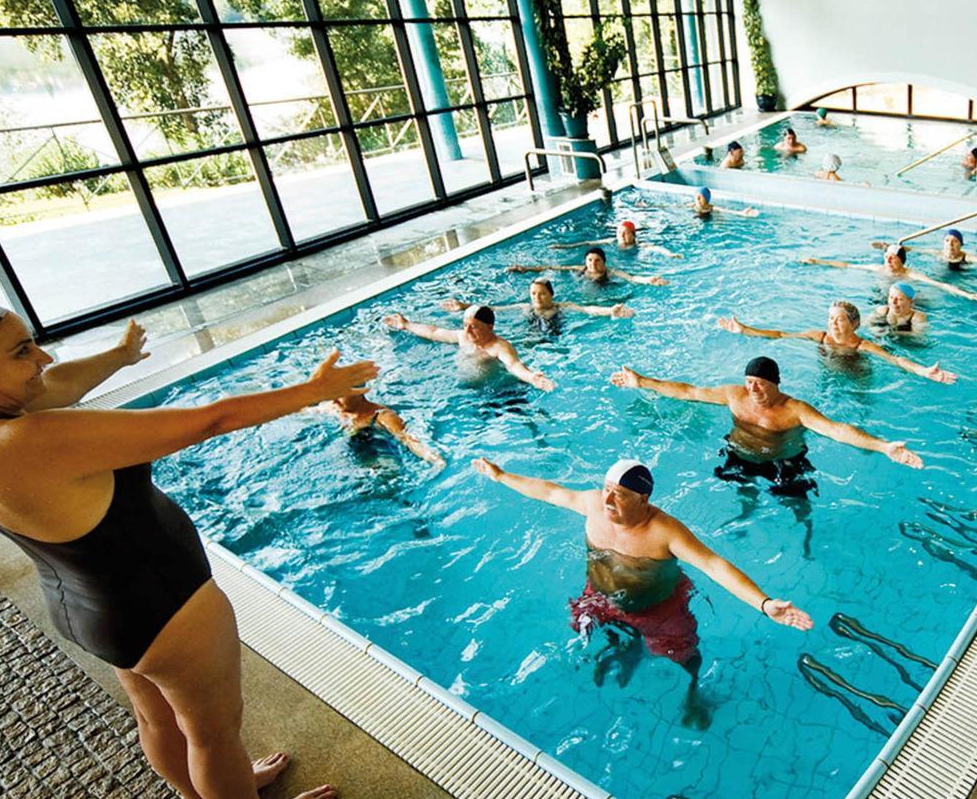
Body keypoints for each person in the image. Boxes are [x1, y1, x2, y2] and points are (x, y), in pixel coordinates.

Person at [0, 297, 376, 799]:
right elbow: (209, 420)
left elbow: (57, 382)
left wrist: (117, 356)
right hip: (165, 607)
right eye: (21, 351)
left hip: (89, 603)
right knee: (213, 733)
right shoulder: (23, 443)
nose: (42, 357)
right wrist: (310, 392)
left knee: (158, 719)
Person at [471, 456, 813, 718]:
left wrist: (764, 604)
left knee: (683, 656)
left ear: (643, 499)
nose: (607, 500)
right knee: (579, 625)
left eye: (619, 495)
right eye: (606, 489)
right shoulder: (592, 504)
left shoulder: (664, 532)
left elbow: (713, 564)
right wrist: (501, 476)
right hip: (601, 597)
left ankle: (694, 691)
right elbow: (550, 491)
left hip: (659, 610)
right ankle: (626, 647)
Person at [609, 356, 924, 499]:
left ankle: (806, 540)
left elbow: (836, 429)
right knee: (742, 490)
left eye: (760, 384)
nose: (753, 390)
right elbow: (688, 391)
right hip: (740, 453)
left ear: (775, 384)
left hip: (784, 461)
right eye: (749, 383)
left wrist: (883, 446)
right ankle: (746, 509)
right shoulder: (734, 395)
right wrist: (642, 382)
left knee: (798, 504)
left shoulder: (795, 410)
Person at [717, 300, 956, 383]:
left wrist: (922, 371)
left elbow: (894, 359)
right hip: (829, 374)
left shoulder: (861, 346)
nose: (832, 324)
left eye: (839, 320)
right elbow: (780, 335)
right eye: (830, 318)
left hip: (856, 378)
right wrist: (745, 329)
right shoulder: (818, 336)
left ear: (853, 324)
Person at [383, 304, 555, 391]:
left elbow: (514, 365)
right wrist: (406, 324)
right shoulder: (463, 337)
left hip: (499, 392)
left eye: (473, 326)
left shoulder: (499, 347)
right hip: (468, 390)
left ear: (489, 326)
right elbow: (434, 332)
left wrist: (531, 377)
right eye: (465, 325)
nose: (467, 331)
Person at [800, 243, 977, 302]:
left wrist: (967, 295)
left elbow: (940, 285)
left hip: (905, 299)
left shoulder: (911, 275)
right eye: (886, 256)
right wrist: (817, 261)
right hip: (882, 297)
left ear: (901, 261)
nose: (888, 260)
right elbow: (846, 265)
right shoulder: (877, 268)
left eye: (892, 257)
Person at [321, 393, 444, 470]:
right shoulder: (338, 410)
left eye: (339, 394)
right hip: (354, 464)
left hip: (382, 464)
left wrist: (434, 459)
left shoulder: (383, 416)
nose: (333, 401)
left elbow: (408, 439)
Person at [442, 277, 634, 322]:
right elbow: (494, 309)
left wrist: (610, 311)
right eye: (533, 294)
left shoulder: (562, 306)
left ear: (551, 294)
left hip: (554, 335)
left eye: (541, 293)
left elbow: (588, 309)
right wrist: (464, 306)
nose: (537, 297)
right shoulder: (525, 307)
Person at [871, 230, 977, 273]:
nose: (950, 244)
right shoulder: (937, 253)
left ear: (961, 245)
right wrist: (888, 246)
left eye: (955, 241)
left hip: (960, 274)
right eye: (947, 241)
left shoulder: (967, 257)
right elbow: (912, 249)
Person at [508, 246, 669, 286]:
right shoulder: (581, 269)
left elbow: (631, 278)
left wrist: (649, 280)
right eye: (590, 260)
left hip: (605, 289)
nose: (593, 263)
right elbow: (552, 268)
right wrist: (526, 268)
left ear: (604, 262)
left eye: (597, 260)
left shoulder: (611, 272)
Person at [549, 220, 681, 257]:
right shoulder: (611, 241)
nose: (621, 236)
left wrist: (670, 254)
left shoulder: (639, 245)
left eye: (625, 233)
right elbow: (588, 243)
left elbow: (657, 248)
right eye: (619, 233)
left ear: (633, 235)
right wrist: (564, 246)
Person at [693, 187, 759, 218]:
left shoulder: (712, 208)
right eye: (696, 197)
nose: (698, 199)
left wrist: (741, 213)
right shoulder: (692, 206)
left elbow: (727, 211)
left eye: (700, 197)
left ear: (707, 199)